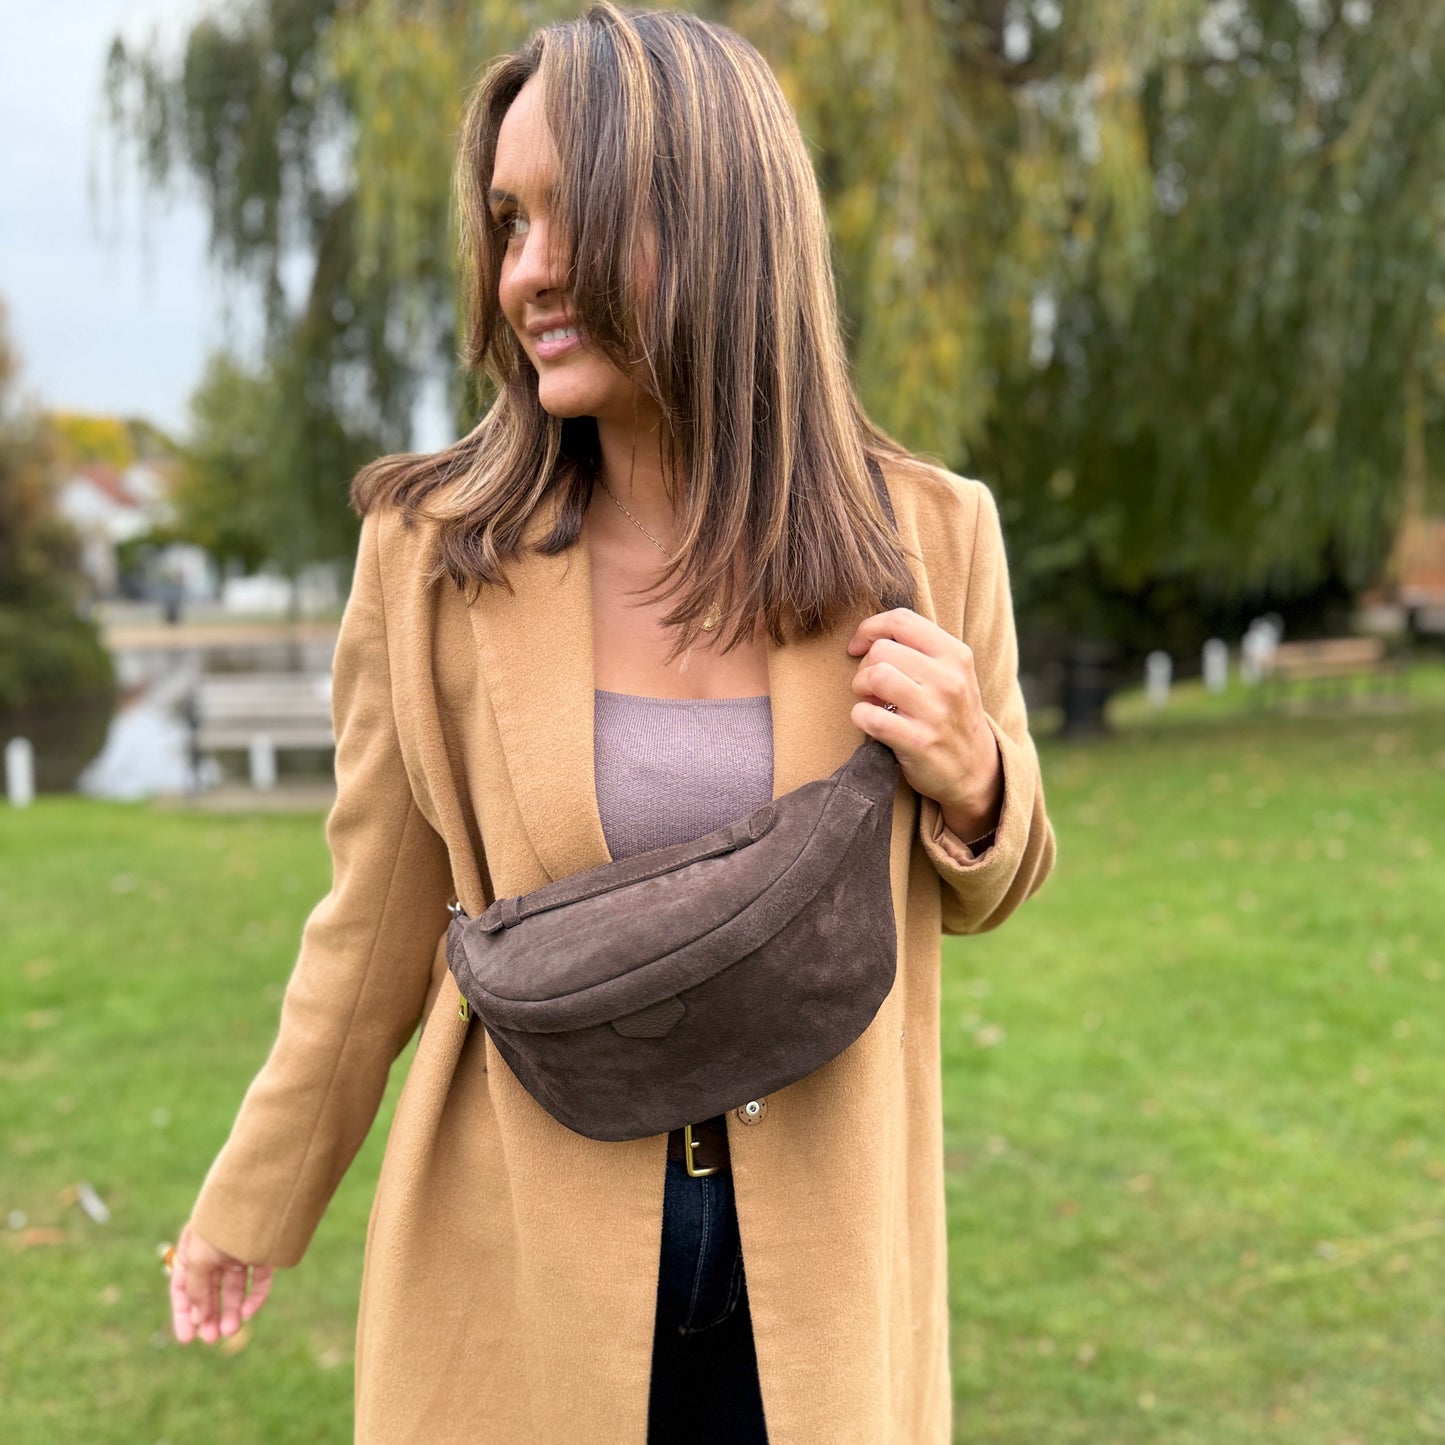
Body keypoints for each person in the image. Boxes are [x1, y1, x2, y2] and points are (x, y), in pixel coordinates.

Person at [165, 5, 1056, 1442]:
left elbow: (991, 883)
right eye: (506, 220)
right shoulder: (432, 552)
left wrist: (974, 781)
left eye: (571, 216)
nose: (524, 270)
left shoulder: (930, 535)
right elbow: (374, 921)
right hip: (515, 1258)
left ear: (716, 218)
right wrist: (254, 1198)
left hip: (820, 1282)